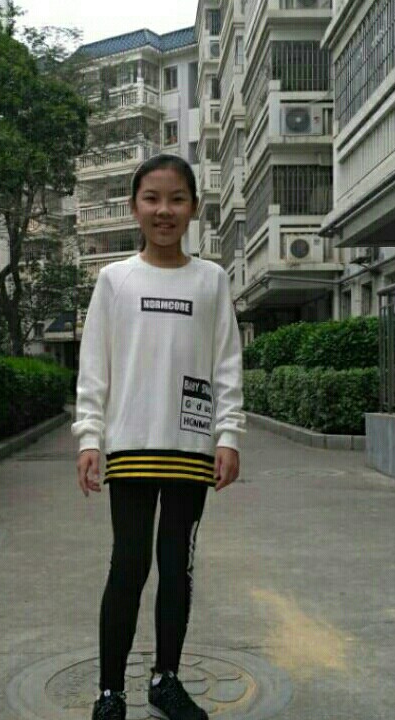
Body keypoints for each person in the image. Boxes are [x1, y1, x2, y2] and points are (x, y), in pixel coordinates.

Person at [72, 154, 246, 720]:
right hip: (131, 446)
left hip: (191, 449)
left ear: (194, 207)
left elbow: (226, 364)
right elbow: (94, 367)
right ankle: (110, 692)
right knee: (128, 567)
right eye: (152, 198)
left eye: (176, 199)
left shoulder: (212, 280)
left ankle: (165, 680)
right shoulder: (115, 280)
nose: (164, 210)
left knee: (177, 568)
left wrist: (228, 435)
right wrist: (89, 438)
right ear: (134, 207)